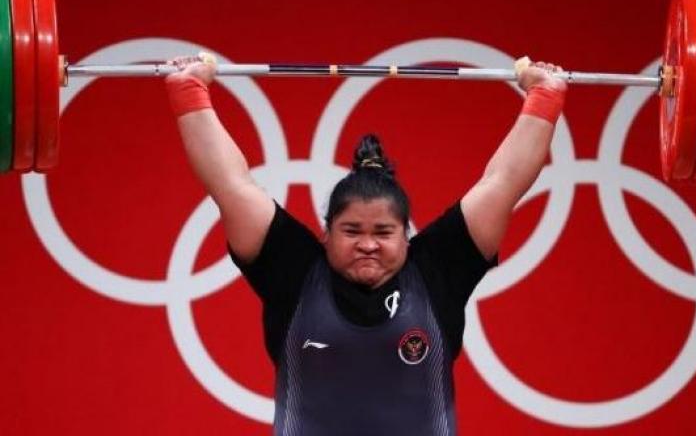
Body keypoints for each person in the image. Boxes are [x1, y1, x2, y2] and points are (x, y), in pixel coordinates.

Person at [165, 55, 566, 435]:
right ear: (328, 232)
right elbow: (231, 185)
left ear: (406, 234)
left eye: (383, 232)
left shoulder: (437, 270)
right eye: (352, 231)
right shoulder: (294, 272)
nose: (368, 245)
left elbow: (504, 182)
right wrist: (189, 92)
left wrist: (544, 97)